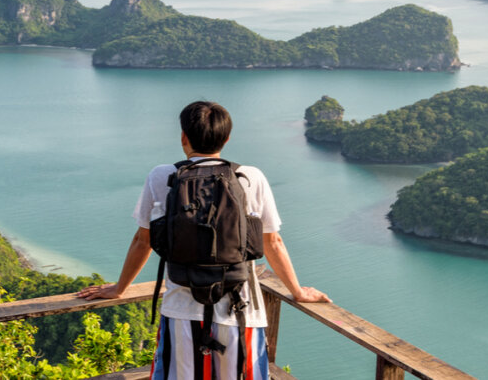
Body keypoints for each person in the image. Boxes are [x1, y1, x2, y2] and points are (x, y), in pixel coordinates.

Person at [77, 101, 330, 379]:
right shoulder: (250, 177)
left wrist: (119, 288)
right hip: (240, 310)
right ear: (227, 138)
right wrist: (298, 291)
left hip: (181, 310)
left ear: (184, 137)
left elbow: (142, 241)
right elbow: (273, 243)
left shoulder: (162, 176)